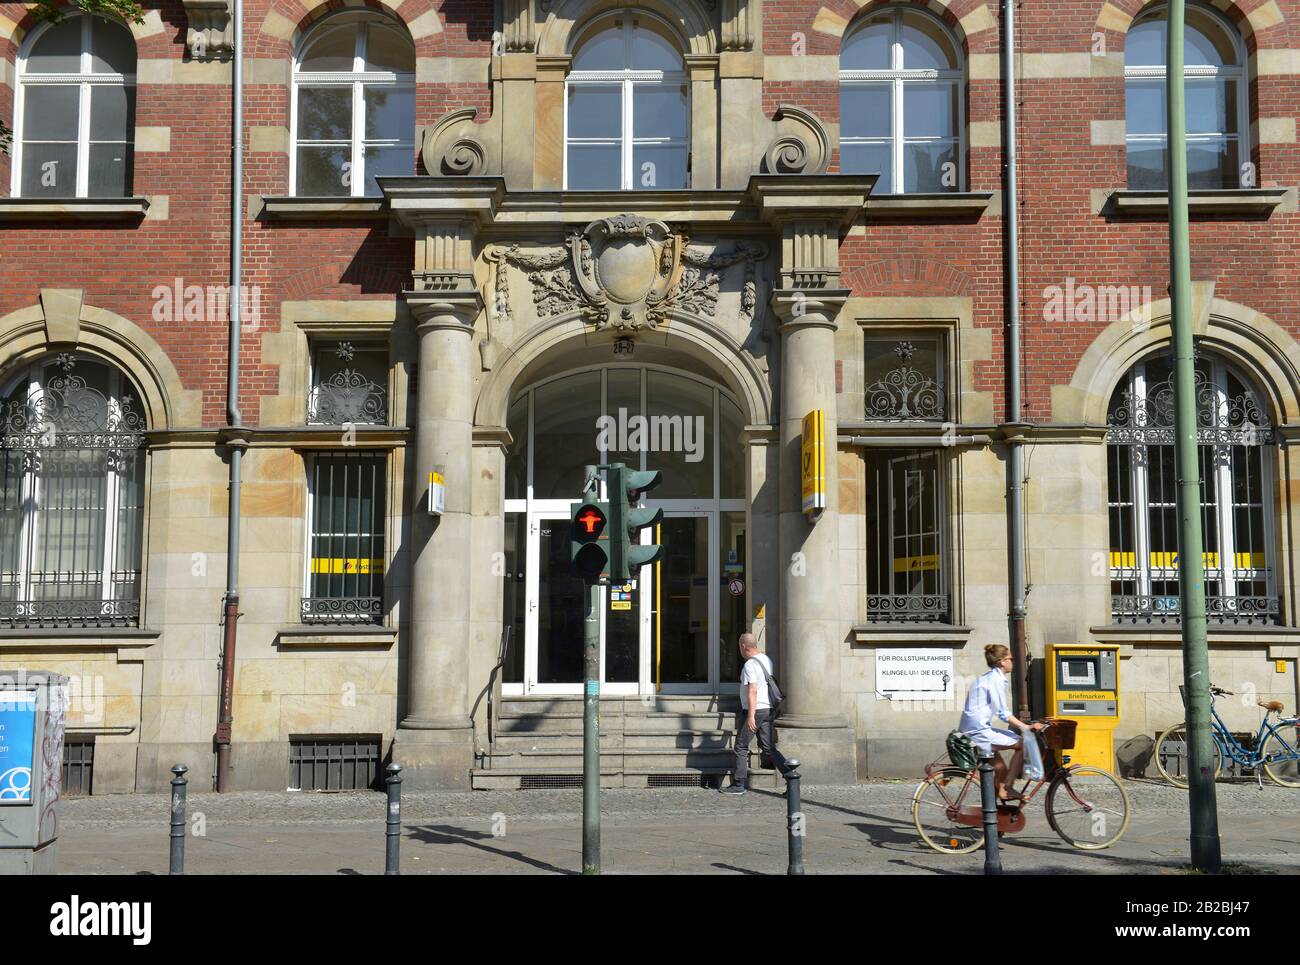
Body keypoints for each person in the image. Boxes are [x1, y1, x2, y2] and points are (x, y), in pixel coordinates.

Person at [959, 644, 1042, 802]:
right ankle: (1008, 789)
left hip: (974, 729)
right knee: (1021, 743)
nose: (1013, 662)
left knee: (1001, 769)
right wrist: (1026, 727)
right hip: (979, 731)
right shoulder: (995, 680)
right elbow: (1003, 713)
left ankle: (998, 810)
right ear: (1002, 661)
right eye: (1010, 658)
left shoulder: (989, 677)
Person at [719, 633, 798, 795]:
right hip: (768, 708)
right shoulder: (766, 660)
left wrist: (750, 716)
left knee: (741, 746)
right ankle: (791, 778)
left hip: (756, 710)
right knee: (768, 748)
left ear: (743, 646)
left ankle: (739, 784)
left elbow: (753, 690)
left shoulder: (749, 665)